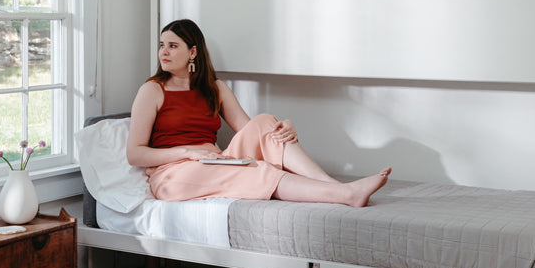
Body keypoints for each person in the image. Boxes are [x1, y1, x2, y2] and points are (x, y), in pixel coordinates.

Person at [127, 19, 391, 207]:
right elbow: (135, 153)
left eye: (173, 46)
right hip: (175, 174)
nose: (164, 51)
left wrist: (284, 125)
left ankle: (333, 185)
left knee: (265, 121)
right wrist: (186, 153)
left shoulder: (214, 88)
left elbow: (250, 130)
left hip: (214, 161)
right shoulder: (152, 90)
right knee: (256, 171)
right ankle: (345, 195)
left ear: (193, 51)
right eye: (162, 45)